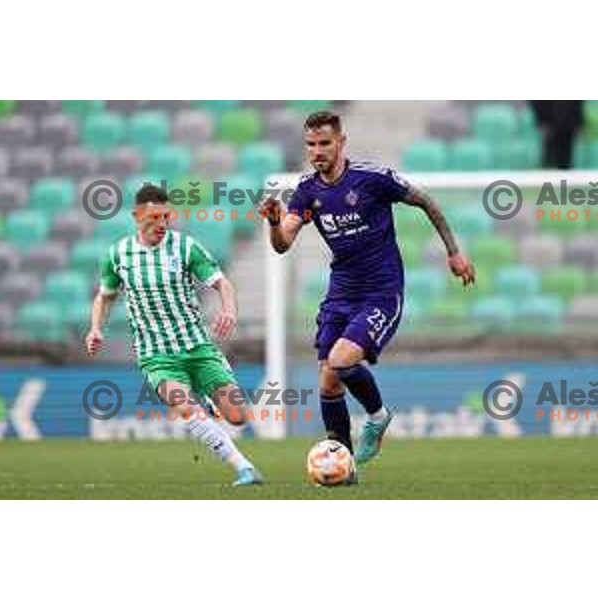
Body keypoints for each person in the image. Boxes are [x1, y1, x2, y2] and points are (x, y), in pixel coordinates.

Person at [260, 111, 475, 472]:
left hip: (381, 291)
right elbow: (283, 244)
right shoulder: (307, 191)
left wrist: (454, 252)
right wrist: (272, 222)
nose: (317, 151)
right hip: (340, 293)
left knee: (342, 361)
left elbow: (426, 201)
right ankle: (342, 467)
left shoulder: (372, 179)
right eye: (310, 145)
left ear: (341, 142)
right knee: (328, 381)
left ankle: (377, 416)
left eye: (325, 143)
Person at [85, 184, 263, 486]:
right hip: (157, 356)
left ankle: (209, 397)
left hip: (197, 347)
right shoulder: (117, 255)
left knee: (238, 416)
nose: (163, 223)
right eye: (155, 216)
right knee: (184, 405)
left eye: (167, 215)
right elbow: (105, 296)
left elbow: (222, 283)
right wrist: (96, 328)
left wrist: (229, 310)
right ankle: (244, 468)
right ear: (137, 215)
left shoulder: (185, 247)